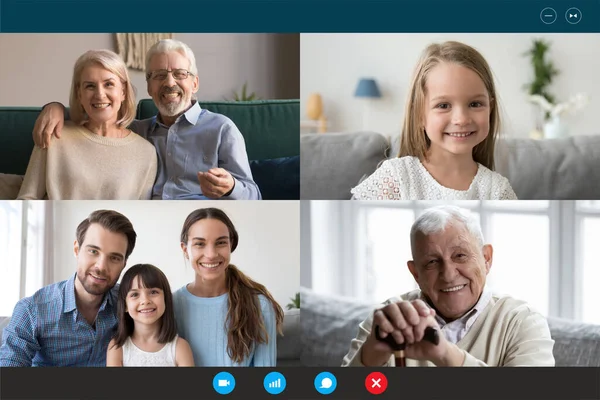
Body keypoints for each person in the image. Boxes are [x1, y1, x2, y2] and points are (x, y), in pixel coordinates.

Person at [32, 39, 261, 200]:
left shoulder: (222, 129)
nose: (169, 82)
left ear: (195, 83)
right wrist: (56, 108)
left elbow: (254, 195)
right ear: (149, 87)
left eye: (180, 74)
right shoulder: (135, 131)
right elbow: (97, 117)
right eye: (159, 75)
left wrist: (230, 187)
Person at [342, 205, 554, 367]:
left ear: (486, 259)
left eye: (460, 255)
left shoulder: (522, 322)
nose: (449, 275)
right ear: (416, 273)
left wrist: (446, 354)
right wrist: (370, 357)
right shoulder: (390, 317)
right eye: (432, 262)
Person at [351, 41, 517, 200]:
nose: (461, 119)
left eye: (475, 104)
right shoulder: (396, 177)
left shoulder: (498, 190)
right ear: (419, 114)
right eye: (443, 105)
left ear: (490, 108)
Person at [0, 210, 137, 366]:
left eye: (114, 258)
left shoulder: (130, 303)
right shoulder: (31, 310)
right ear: (76, 250)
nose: (101, 266)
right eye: (93, 251)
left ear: (124, 264)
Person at [18, 50, 157, 200]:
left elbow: (140, 213)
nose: (100, 94)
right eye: (90, 86)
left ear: (123, 91)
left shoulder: (146, 153)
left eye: (109, 84)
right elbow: (27, 200)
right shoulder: (53, 134)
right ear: (79, 94)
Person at [174, 207, 284, 366]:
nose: (211, 254)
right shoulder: (169, 305)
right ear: (185, 250)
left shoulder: (260, 305)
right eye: (200, 244)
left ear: (230, 245)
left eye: (221, 243)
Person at [106, 264, 194, 367]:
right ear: (125, 305)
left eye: (153, 292)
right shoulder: (117, 348)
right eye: (135, 294)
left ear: (165, 299)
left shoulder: (180, 348)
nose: (145, 301)